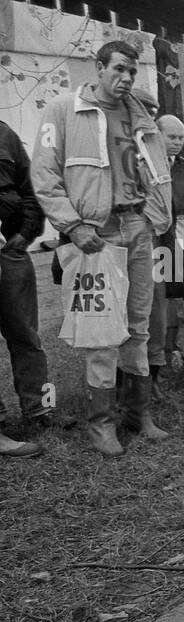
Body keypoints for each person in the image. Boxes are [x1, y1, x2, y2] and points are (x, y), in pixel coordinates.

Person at [31, 40, 172, 457]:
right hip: (95, 233)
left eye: (132, 71)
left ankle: (138, 413)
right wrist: (72, 225)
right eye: (119, 69)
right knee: (101, 333)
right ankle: (101, 424)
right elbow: (44, 174)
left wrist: (151, 217)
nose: (126, 78)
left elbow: (156, 171)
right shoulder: (63, 109)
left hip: (138, 227)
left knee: (139, 325)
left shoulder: (140, 113)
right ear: (99, 67)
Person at [0, 119, 50, 457]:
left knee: (28, 335)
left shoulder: (4, 133)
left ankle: (42, 409)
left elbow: (30, 186)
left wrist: (27, 232)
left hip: (11, 250)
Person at [146, 114, 184, 398]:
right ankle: (143, 377)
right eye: (171, 136)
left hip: (172, 243)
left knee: (170, 308)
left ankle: (161, 368)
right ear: (157, 134)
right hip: (148, 242)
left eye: (181, 138)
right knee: (150, 310)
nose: (176, 142)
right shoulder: (146, 166)